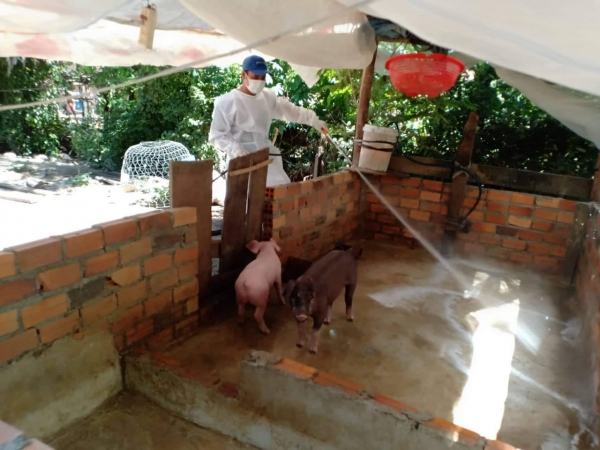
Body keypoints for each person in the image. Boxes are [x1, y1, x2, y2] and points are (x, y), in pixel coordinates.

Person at [208, 55, 328, 187]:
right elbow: (217, 135)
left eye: (263, 77)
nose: (259, 81)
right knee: (247, 195)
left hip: (266, 157)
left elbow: (289, 111)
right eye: (255, 77)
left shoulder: (267, 97)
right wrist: (235, 149)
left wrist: (313, 120)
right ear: (243, 75)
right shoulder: (227, 102)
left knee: (280, 190)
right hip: (241, 160)